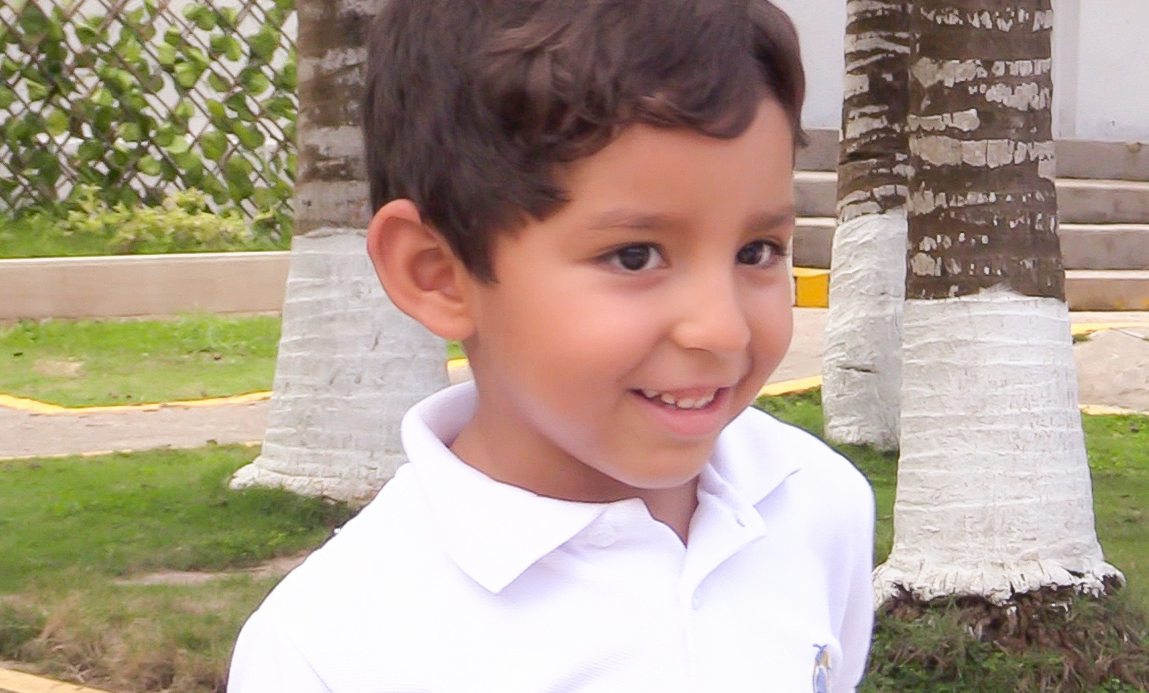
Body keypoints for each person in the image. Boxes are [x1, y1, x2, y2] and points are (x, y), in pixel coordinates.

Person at [226, 0, 876, 690]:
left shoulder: (816, 502)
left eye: (757, 250)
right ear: (438, 274)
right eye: (634, 256)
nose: (723, 329)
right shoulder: (330, 650)